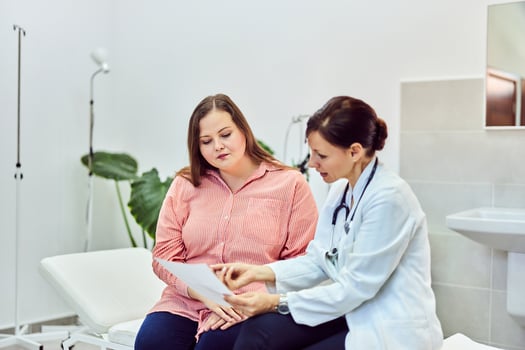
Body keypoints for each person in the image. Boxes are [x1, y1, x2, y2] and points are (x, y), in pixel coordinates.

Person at [214, 96, 444, 350]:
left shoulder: (390, 199)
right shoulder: (341, 191)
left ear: (355, 151)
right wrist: (257, 272)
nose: (312, 163)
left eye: (321, 155)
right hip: (351, 311)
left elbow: (355, 288)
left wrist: (273, 302)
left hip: (386, 325)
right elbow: (319, 260)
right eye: (311, 152)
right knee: (260, 332)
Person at [134, 93, 318, 350]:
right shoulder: (185, 185)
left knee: (214, 346)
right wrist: (203, 294)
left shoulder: (290, 184)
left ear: (243, 131)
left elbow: (303, 261)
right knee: (152, 343)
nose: (218, 146)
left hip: (250, 303)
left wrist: (257, 301)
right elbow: (164, 256)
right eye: (206, 141)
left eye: (225, 134)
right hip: (187, 300)